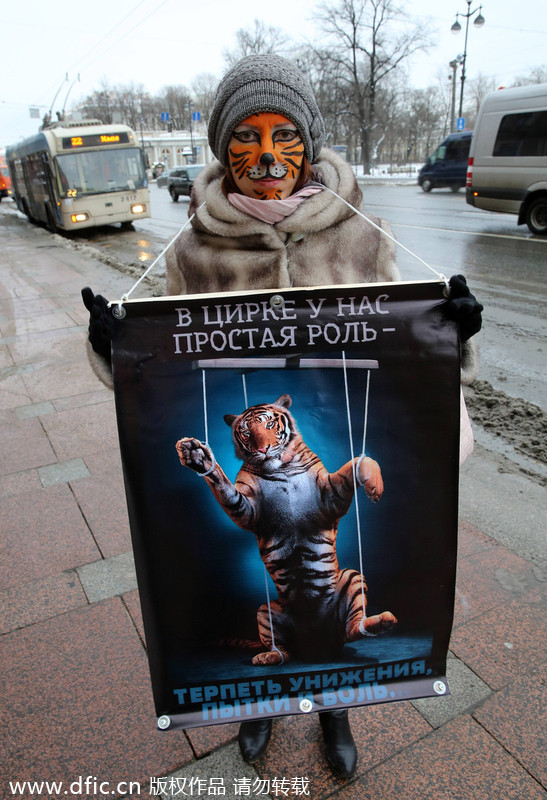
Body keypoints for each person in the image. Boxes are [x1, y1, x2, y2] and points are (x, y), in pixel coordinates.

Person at [82, 54, 482, 779]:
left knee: (331, 596)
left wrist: (452, 333)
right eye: (246, 138)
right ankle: (265, 701)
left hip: (311, 492)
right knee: (273, 603)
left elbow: (404, 346)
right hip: (262, 495)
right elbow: (161, 363)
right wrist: (115, 347)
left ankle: (335, 706)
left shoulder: (362, 234)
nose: (266, 156)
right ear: (221, 150)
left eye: (284, 135)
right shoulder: (192, 249)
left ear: (309, 141)